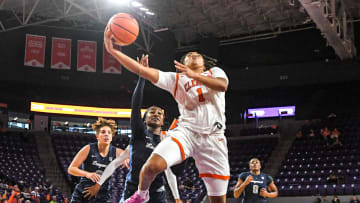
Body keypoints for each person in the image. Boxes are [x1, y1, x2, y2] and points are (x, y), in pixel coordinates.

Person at [104, 27, 230, 203]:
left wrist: (195, 76)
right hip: (186, 133)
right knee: (150, 167)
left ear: (204, 63)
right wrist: (113, 51)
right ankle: (141, 195)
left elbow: (221, 86)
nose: (193, 54)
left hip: (214, 138)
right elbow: (143, 71)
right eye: (188, 55)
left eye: (197, 54)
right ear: (183, 65)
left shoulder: (215, 72)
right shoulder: (176, 80)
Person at [82, 56, 182, 203]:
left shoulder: (166, 140)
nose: (156, 115)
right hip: (133, 189)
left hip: (157, 193)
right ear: (144, 119)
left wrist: (177, 197)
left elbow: (169, 171)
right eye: (152, 112)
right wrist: (142, 77)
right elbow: (135, 105)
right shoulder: (139, 133)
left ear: (162, 121)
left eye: (159, 113)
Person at [67, 117, 126, 203]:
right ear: (97, 136)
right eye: (103, 132)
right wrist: (87, 174)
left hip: (102, 194)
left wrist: (127, 159)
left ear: (112, 137)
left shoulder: (117, 152)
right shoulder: (88, 148)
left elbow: (131, 157)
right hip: (83, 192)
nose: (106, 134)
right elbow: (71, 169)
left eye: (109, 133)